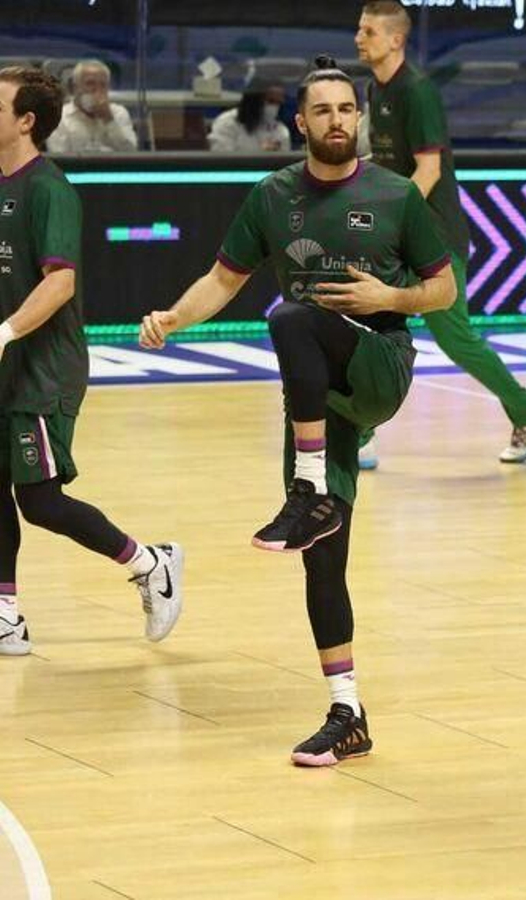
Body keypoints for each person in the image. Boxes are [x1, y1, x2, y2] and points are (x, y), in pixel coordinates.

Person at [140, 57, 456, 765]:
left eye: (347, 109)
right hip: (317, 396)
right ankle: (348, 712)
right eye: (323, 111)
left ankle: (308, 488)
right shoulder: (273, 195)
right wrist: (174, 317)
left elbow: (444, 289)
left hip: (379, 362)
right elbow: (223, 279)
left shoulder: (397, 194)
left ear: (359, 118)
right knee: (322, 559)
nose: (337, 121)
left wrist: (391, 298)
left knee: (289, 316)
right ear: (300, 123)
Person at [0, 66, 181, 656]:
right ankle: (5, 615)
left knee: (40, 502)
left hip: (42, 368)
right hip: (6, 363)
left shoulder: (49, 189)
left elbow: (60, 283)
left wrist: (4, 332)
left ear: (26, 121)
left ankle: (150, 563)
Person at [354, 1, 526, 469]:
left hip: (434, 235)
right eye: (359, 30)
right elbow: (388, 160)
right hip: (401, 234)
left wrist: (389, 220)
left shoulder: (418, 91)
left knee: (454, 338)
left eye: (368, 32)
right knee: (368, 322)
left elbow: (428, 170)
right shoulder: (374, 87)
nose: (359, 39)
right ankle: (361, 434)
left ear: (396, 40)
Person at [46, 60, 138, 154]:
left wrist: (109, 120)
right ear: (75, 87)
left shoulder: (119, 113)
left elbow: (131, 152)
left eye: (103, 85)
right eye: (90, 83)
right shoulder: (59, 117)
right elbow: (57, 156)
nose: (97, 90)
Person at [208, 82, 292, 152]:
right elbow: (221, 159)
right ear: (254, 100)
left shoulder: (281, 130)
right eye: (271, 101)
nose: (274, 108)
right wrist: (259, 154)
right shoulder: (226, 123)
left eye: (278, 103)